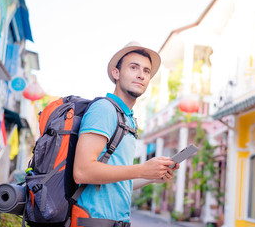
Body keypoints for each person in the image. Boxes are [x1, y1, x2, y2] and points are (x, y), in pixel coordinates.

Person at [72, 41, 179, 225]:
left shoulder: (127, 119)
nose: (141, 75)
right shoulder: (104, 109)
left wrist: (150, 177)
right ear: (116, 73)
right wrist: (142, 169)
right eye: (134, 67)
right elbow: (82, 172)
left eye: (146, 71)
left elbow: (119, 182)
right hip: (93, 220)